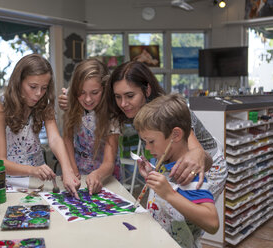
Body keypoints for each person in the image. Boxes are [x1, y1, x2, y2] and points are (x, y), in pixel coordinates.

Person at [59, 61, 226, 198]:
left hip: (209, 165)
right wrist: (71, 101)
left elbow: (196, 151)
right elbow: (91, 97)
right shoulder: (120, 108)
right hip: (173, 163)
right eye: (118, 96)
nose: (123, 103)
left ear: (147, 90)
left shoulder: (166, 110)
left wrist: (198, 153)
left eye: (130, 95)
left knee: (185, 221)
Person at [133, 94, 219, 247]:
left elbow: (212, 223)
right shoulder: (167, 163)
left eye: (151, 141)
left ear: (175, 135)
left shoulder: (188, 175)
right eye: (145, 142)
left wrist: (169, 194)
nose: (147, 148)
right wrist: (151, 175)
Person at [0, 54, 80, 197]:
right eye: (33, 87)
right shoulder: (0, 112)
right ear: (19, 82)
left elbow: (55, 140)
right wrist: (32, 170)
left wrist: (67, 169)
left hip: (38, 182)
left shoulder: (45, 106)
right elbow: (0, 162)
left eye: (44, 88)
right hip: (10, 183)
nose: (38, 93)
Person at [63, 59, 121, 195]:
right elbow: (67, 138)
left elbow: (109, 162)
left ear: (105, 89)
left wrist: (98, 175)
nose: (88, 99)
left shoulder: (112, 116)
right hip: (77, 173)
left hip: (105, 177)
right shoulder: (72, 104)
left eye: (95, 93)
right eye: (82, 92)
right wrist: (73, 169)